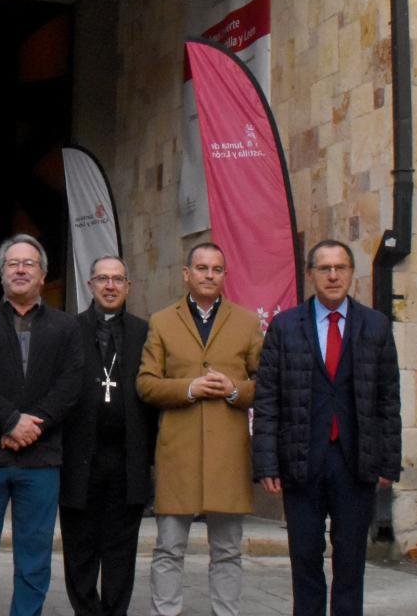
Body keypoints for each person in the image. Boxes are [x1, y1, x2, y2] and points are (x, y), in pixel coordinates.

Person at [253, 240, 401, 616]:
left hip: (356, 461)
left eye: (341, 268)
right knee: (304, 559)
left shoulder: (376, 325)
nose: (333, 276)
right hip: (301, 460)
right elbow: (267, 399)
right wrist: (267, 463)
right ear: (310, 275)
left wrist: (388, 462)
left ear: (352, 273)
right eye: (324, 268)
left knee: (350, 562)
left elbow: (388, 399)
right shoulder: (285, 327)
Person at [0, 234, 86, 616]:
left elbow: (70, 384)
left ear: (43, 275)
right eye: (13, 263)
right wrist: (11, 422)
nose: (21, 269)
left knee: (34, 560)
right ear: (1, 274)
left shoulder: (65, 327)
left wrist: (31, 428)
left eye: (29, 263)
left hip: (41, 461)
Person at [136, 241, 262, 616]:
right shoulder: (162, 321)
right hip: (179, 452)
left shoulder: (246, 322)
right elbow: (145, 383)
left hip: (228, 454)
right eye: (202, 268)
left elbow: (267, 384)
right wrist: (188, 388)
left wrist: (236, 390)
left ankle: (225, 612)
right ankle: (166, 611)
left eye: (217, 269)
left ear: (225, 275)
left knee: (227, 550)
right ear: (186, 274)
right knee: (169, 547)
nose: (209, 275)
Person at [60, 256, 158, 616]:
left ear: (128, 287)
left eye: (118, 279)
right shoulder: (69, 329)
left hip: (126, 457)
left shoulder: (144, 331)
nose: (111, 286)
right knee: (80, 547)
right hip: (80, 457)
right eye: (103, 279)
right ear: (90, 285)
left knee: (121, 549)